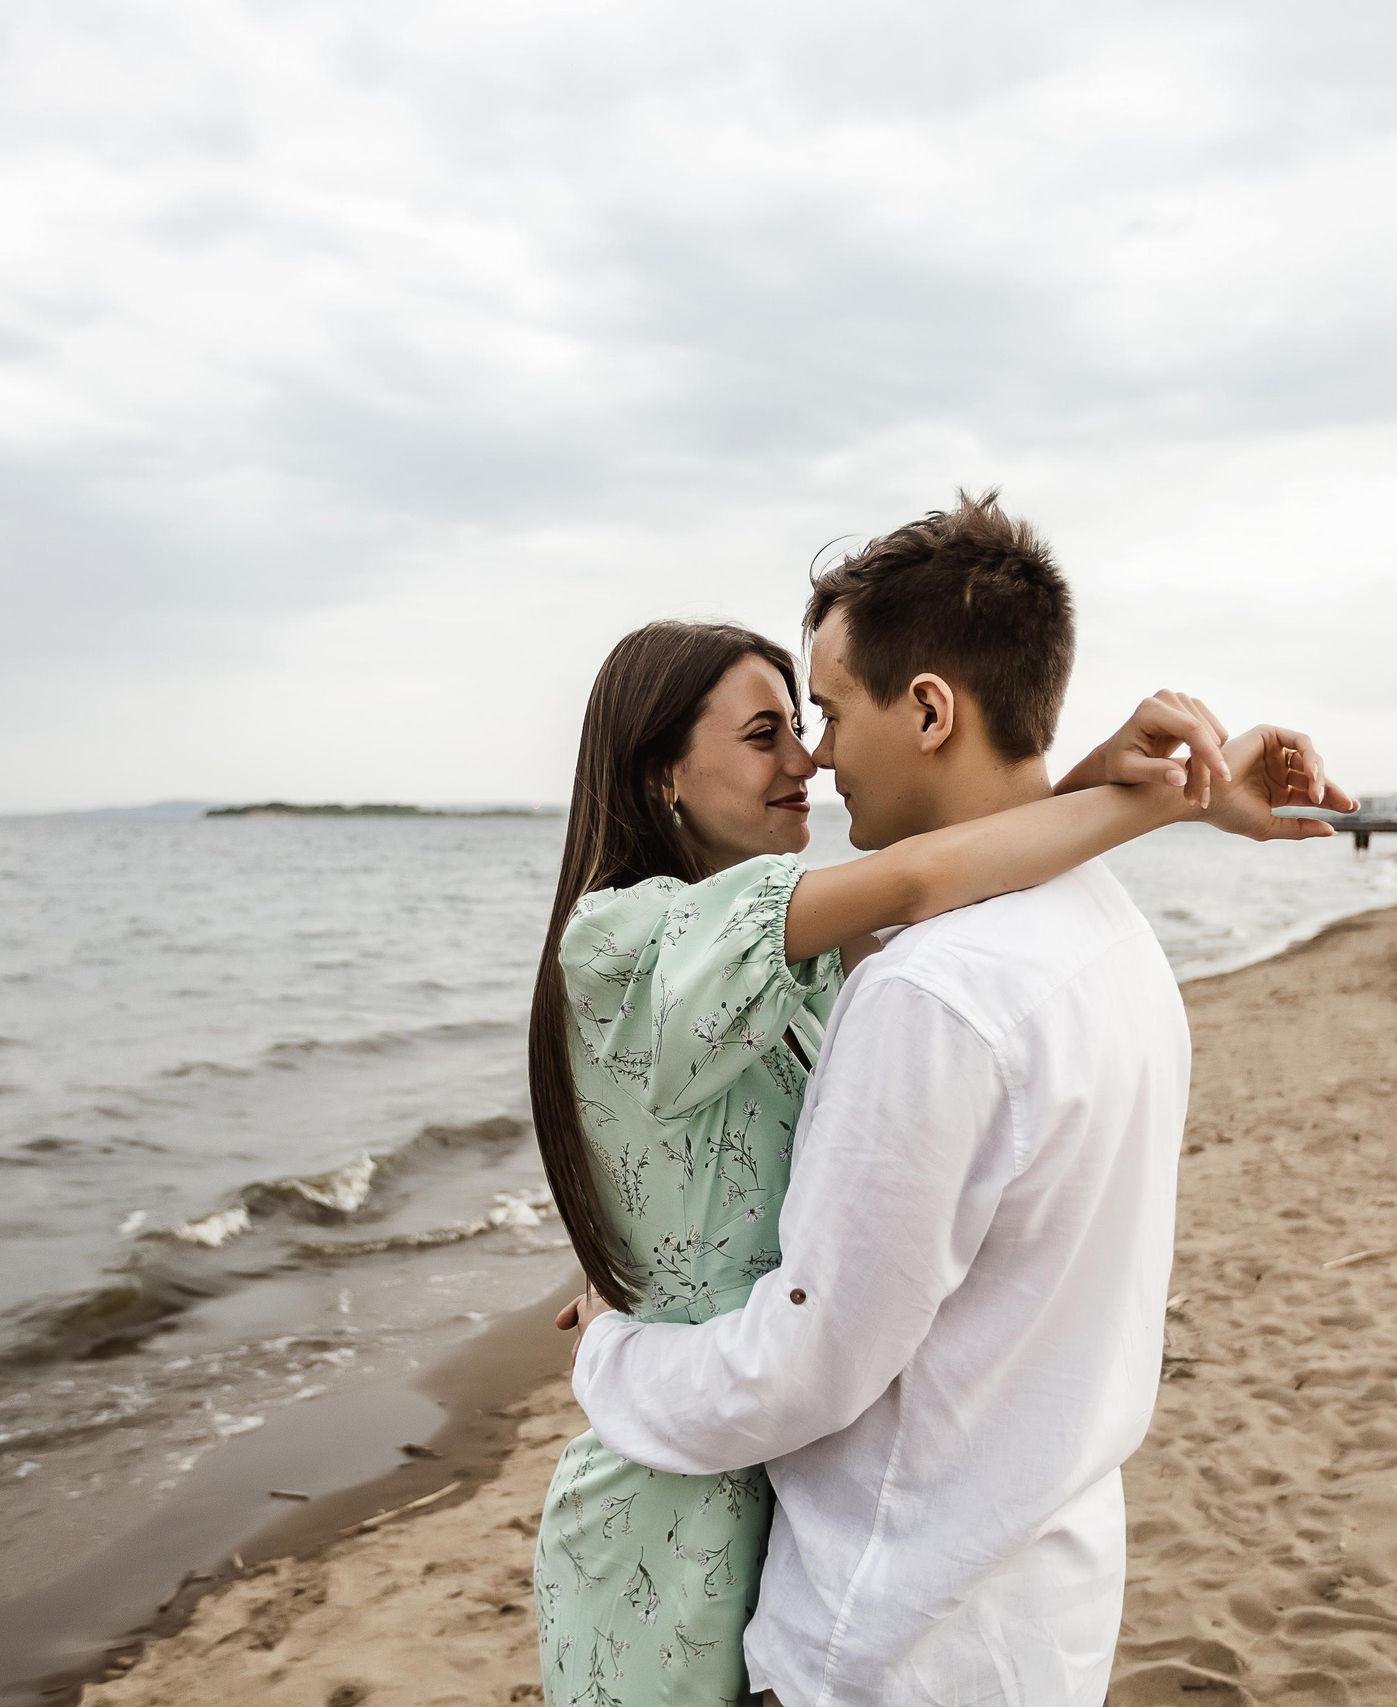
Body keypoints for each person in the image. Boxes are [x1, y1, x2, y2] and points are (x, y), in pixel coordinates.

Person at [556, 493, 1355, 1705]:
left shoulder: (929, 992)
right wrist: (1158, 796)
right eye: (777, 731)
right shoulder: (1105, 939)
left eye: (818, 714)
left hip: (890, 1635)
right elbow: (944, 870)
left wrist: (611, 1357)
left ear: (927, 706)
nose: (814, 759)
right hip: (1036, 1607)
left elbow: (809, 1363)